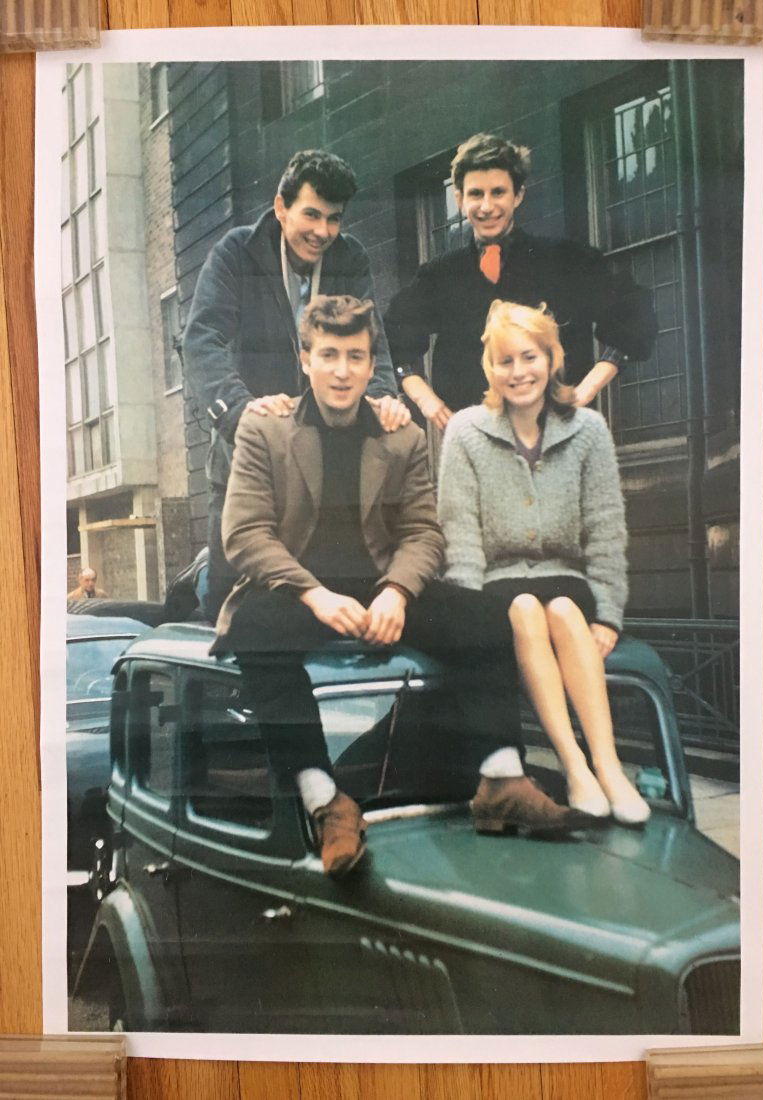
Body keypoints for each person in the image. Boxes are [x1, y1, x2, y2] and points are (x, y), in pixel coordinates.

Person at [213, 294, 595, 877]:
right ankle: (327, 802)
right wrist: (313, 593)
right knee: (255, 629)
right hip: (297, 593)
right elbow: (244, 533)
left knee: (486, 615)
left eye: (356, 356)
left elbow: (422, 531)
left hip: (381, 586)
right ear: (305, 357)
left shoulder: (401, 433)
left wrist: (396, 590)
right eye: (330, 355)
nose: (342, 370)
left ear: (372, 365)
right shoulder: (264, 428)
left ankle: (499, 779)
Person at [438, 300, 651, 826]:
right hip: (498, 590)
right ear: (491, 369)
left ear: (552, 358)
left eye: (529, 357)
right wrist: (470, 620)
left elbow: (606, 529)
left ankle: (609, 765)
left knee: (559, 609)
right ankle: (574, 765)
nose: (519, 373)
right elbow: (459, 537)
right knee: (529, 607)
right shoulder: (464, 432)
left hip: (569, 584)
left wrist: (607, 616)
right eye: (505, 362)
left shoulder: (588, 429)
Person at [183, 150, 408, 621]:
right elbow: (203, 340)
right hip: (249, 451)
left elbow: (374, 343)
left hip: (325, 456)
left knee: (322, 601)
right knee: (229, 608)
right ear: (281, 206)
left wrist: (384, 399)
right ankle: (203, 582)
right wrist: (241, 414)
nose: (322, 232)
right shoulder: (235, 252)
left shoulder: (350, 256)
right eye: (311, 214)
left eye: (334, 219)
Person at [385, 132, 657, 428]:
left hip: (556, 433)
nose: (487, 207)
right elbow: (391, 339)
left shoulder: (565, 260)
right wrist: (426, 400)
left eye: (498, 192)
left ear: (518, 195)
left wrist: (586, 390)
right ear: (459, 199)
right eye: (476, 194)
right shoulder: (439, 275)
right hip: (476, 441)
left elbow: (633, 312)